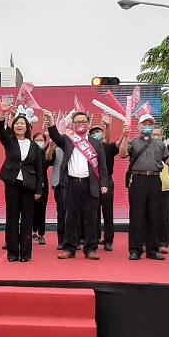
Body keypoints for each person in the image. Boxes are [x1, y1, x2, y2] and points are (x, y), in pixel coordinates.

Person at [45, 109, 108, 260]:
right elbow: (54, 136)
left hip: (90, 185)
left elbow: (102, 166)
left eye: (83, 122)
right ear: (73, 124)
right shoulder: (68, 140)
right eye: (78, 122)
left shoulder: (96, 143)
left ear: (88, 124)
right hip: (71, 184)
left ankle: (91, 249)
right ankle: (69, 248)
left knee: (91, 218)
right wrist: (50, 120)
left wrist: (104, 184)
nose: (80, 124)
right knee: (70, 217)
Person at [120, 114, 169, 260]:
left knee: (154, 214)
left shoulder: (160, 144)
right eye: (144, 124)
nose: (147, 126)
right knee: (136, 215)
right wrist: (125, 136)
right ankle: (135, 249)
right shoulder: (133, 142)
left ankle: (152, 250)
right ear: (139, 126)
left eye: (150, 124)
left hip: (154, 179)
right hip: (138, 179)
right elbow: (122, 154)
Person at [0, 101, 43, 262]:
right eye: (17, 123)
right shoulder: (9, 142)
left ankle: (25, 254)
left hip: (29, 186)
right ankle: (12, 252)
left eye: (22, 123)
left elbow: (39, 169)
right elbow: (0, 131)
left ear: (27, 127)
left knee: (27, 220)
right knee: (12, 218)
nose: (19, 126)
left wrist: (39, 189)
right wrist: (2, 114)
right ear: (13, 126)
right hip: (12, 184)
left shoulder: (35, 146)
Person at [89, 114, 122, 252]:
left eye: (99, 132)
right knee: (92, 211)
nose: (97, 134)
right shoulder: (87, 149)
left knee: (107, 212)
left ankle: (108, 240)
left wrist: (108, 125)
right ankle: (94, 238)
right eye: (94, 132)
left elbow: (117, 143)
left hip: (107, 181)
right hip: (91, 181)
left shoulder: (108, 147)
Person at [154, 127, 169, 252]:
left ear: (162, 136)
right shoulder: (145, 148)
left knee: (163, 217)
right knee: (148, 215)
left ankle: (163, 243)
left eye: (158, 134)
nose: (156, 136)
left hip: (164, 187)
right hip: (149, 186)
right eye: (154, 134)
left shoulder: (166, 149)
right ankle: (147, 241)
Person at [45, 140, 66, 250]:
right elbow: (48, 158)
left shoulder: (78, 149)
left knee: (74, 212)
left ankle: (74, 240)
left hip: (74, 183)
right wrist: (51, 146)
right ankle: (61, 240)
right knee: (62, 212)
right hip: (59, 184)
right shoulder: (56, 150)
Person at [32, 130, 50, 245]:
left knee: (41, 209)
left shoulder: (46, 153)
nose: (39, 142)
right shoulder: (29, 152)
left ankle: (41, 234)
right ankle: (32, 231)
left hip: (43, 184)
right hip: (31, 184)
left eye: (41, 140)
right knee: (30, 209)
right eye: (37, 140)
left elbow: (48, 160)